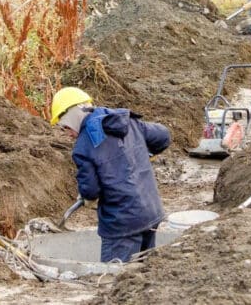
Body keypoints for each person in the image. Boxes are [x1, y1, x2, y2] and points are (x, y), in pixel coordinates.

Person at [49, 86, 171, 263]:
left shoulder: (83, 147)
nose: (68, 134)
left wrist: (86, 194)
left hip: (122, 225)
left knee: (113, 280)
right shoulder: (125, 121)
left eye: (66, 127)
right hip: (150, 213)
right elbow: (163, 136)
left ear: (73, 115)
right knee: (142, 275)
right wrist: (141, 154)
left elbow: (91, 191)